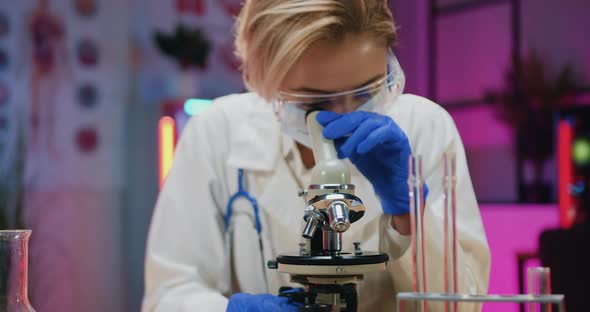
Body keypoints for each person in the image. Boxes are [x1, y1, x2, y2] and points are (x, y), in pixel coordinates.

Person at [141, 0, 491, 311]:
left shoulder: (423, 128)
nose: (344, 116)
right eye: (316, 102)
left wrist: (408, 213)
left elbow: (459, 306)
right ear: (263, 80)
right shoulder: (217, 133)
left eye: (367, 91)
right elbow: (168, 296)